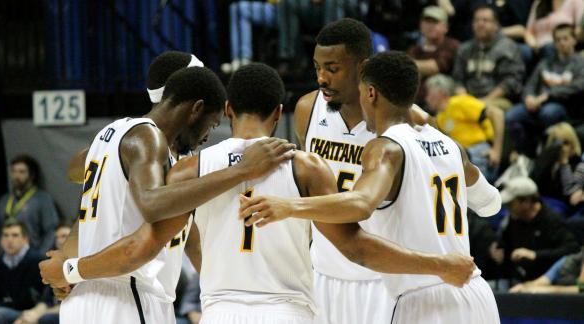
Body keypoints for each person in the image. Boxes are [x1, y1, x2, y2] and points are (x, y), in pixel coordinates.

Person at [168, 62, 474, 324]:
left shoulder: (188, 171)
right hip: (287, 311)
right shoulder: (306, 167)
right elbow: (357, 247)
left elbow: (182, 241)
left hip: (220, 312)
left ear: (228, 109)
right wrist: (439, 264)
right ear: (278, 113)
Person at [241, 52, 502, 323]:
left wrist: (289, 206)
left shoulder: (384, 148)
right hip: (475, 292)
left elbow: (361, 204)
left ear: (370, 93)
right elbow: (491, 204)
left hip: (424, 299)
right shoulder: (451, 146)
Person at [39, 66, 295, 323]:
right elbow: (151, 205)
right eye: (212, 124)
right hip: (127, 295)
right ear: (196, 109)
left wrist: (67, 267)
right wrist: (241, 170)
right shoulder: (147, 137)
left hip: (84, 296)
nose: (206, 137)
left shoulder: (115, 136)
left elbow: (191, 240)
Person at [292, 18, 432, 324]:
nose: (321, 78)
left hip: (383, 280)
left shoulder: (410, 122)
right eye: (317, 67)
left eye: (332, 68)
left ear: (362, 66)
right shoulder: (306, 110)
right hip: (323, 276)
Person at [507, 24, 584, 157]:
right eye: (558, 40)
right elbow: (530, 84)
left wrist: (547, 96)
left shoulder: (580, 63)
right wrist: (528, 98)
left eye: (565, 39)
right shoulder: (545, 63)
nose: (561, 43)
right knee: (511, 115)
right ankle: (524, 153)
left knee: (548, 113)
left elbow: (577, 86)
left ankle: (545, 151)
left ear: (574, 40)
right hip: (536, 104)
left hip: (564, 107)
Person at [497, 176, 580, 282]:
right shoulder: (513, 219)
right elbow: (506, 248)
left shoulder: (552, 220)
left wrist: (535, 255)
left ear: (526, 201)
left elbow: (571, 249)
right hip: (517, 279)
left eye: (511, 203)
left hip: (546, 282)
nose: (507, 207)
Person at [425, 74, 504, 182]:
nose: (427, 99)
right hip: (464, 156)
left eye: (429, 94)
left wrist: (496, 150)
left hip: (480, 152)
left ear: (441, 93)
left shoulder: (460, 102)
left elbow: (497, 113)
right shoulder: (440, 117)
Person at [452, 4, 525, 111]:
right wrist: (465, 99)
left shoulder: (508, 47)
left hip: (497, 100)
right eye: (477, 20)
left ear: (496, 25)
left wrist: (485, 101)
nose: (480, 24)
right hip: (468, 100)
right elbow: (458, 79)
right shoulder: (464, 49)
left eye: (485, 20)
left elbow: (510, 82)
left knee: (486, 110)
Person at [0, 155, 59, 253]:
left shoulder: (42, 199)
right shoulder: (4, 200)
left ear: (31, 175)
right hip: (6, 257)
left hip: (31, 256)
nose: (16, 176)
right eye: (13, 171)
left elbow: (51, 231)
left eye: (21, 172)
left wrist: (40, 256)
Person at [0, 219, 45, 324]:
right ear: (0, 240)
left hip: (32, 312)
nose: (9, 240)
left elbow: (39, 297)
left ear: (25, 239)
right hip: (6, 307)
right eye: (5, 235)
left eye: (15, 235)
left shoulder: (37, 261)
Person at [408, 6, 460, 105]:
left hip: (443, 102)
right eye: (427, 22)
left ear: (446, 27)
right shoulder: (415, 50)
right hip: (416, 100)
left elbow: (435, 67)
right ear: (421, 25)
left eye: (435, 22)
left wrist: (411, 65)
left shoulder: (452, 45)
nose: (430, 26)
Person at [220, 1, 277, 74]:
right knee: (237, 8)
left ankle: (243, 59)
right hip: (271, 7)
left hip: (285, 9)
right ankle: (241, 59)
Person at [510, 249, 584, 294]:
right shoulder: (567, 261)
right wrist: (524, 287)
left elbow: (581, 289)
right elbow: (542, 281)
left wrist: (550, 290)